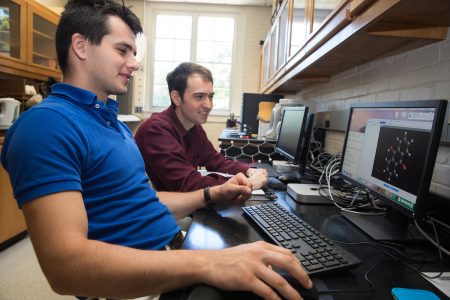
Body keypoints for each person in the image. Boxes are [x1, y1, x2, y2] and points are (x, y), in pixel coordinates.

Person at [0, 0, 312, 299]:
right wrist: (210, 263)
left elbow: (142, 201)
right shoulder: (45, 126)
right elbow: (65, 268)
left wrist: (211, 194)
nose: (135, 64)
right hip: (145, 282)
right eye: (123, 50)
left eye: (134, 52)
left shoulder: (112, 122)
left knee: (293, 269)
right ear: (80, 46)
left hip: (173, 251)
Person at [135, 62, 268, 192]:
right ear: (176, 98)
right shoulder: (155, 130)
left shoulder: (194, 128)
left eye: (210, 96)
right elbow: (187, 184)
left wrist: (249, 170)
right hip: (161, 212)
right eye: (199, 97)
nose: (209, 105)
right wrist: (245, 183)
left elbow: (216, 161)